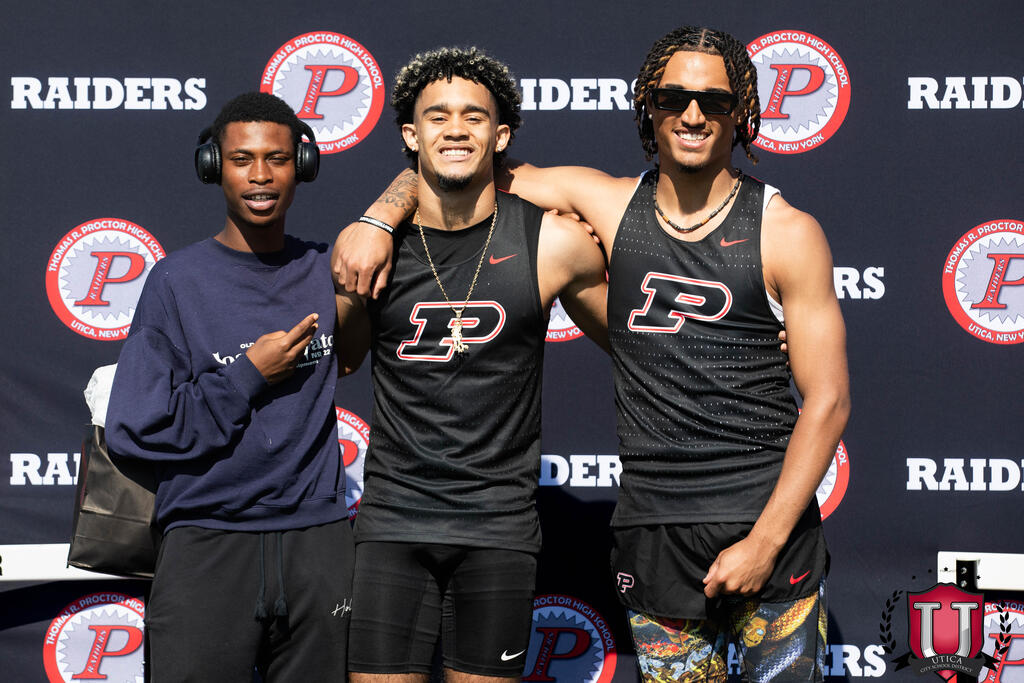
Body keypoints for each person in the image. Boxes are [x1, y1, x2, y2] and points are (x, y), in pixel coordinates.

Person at [336, 26, 849, 682]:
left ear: (741, 112)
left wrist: (766, 541)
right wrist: (378, 218)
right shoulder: (607, 203)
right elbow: (457, 162)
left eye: (715, 102)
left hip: (767, 520)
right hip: (654, 525)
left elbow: (829, 402)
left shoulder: (786, 231)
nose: (693, 115)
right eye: (673, 98)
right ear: (648, 108)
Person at [332, 47, 608, 683]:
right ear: (411, 135)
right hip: (393, 521)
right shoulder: (374, 249)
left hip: (499, 527)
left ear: (500, 135)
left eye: (473, 117)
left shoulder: (553, 242)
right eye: (437, 116)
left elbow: (637, 338)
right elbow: (345, 359)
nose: (455, 130)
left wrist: (757, 338)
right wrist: (353, 276)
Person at [105, 92, 360, 683]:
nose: (260, 175)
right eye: (242, 159)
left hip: (318, 543)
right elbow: (136, 426)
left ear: (303, 165)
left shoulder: (329, 271)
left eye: (277, 158)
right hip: (207, 543)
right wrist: (247, 376)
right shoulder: (175, 281)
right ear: (213, 167)